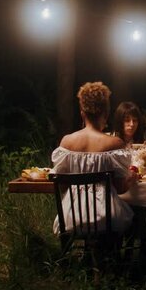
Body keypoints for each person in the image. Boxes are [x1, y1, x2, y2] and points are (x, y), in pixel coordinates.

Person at [51, 81, 137, 234]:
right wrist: (131, 178)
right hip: (107, 218)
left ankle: (87, 254)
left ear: (82, 113)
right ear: (106, 113)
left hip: (72, 217)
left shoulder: (67, 142)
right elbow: (120, 189)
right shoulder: (115, 144)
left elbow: (62, 185)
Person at [112, 101, 146, 174]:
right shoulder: (112, 144)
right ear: (119, 122)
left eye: (135, 120)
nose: (132, 124)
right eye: (127, 120)